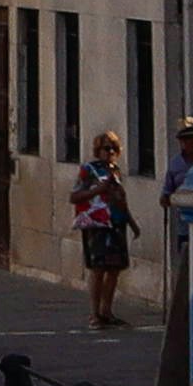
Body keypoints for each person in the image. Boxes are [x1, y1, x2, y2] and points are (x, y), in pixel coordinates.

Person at [72, 131, 137, 331]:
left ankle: (107, 311)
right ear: (97, 150)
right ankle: (94, 314)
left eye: (113, 149)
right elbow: (75, 196)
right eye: (106, 148)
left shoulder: (115, 171)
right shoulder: (88, 170)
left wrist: (132, 222)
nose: (110, 152)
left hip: (116, 224)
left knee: (115, 269)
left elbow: (120, 199)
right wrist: (97, 190)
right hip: (97, 225)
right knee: (98, 269)